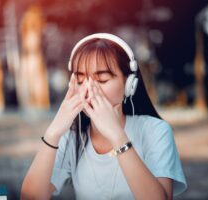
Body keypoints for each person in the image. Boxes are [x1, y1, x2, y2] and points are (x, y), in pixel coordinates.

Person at [21, 33, 187, 200]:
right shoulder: (72, 135)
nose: (89, 90)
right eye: (80, 80)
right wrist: (53, 133)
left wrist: (117, 136)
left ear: (129, 84)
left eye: (102, 80)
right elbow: (31, 197)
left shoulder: (155, 130)